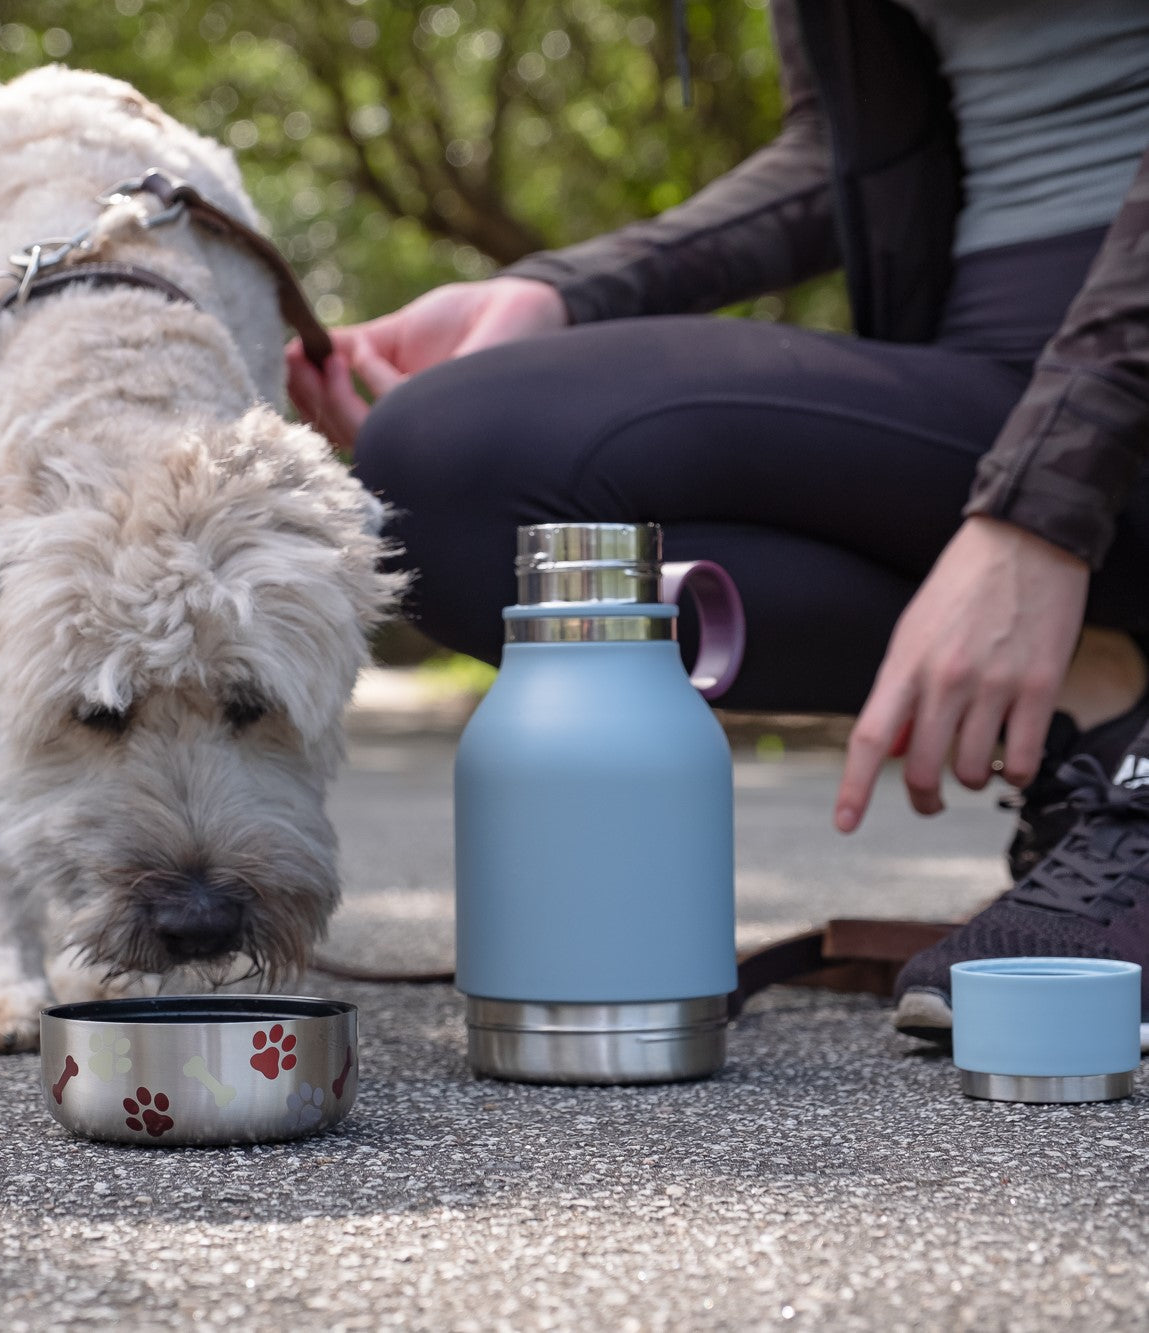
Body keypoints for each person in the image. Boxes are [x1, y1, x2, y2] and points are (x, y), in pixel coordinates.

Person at [286, 0, 1149, 1042]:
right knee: (452, 471)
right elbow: (846, 149)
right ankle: (1108, 714)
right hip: (988, 388)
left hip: (1117, 388)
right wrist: (560, 292)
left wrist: (1036, 516)